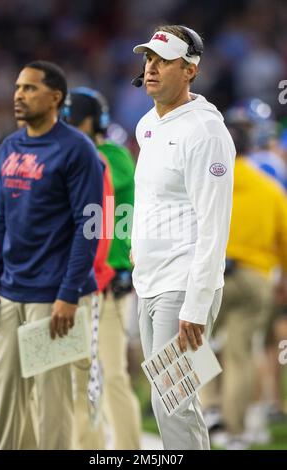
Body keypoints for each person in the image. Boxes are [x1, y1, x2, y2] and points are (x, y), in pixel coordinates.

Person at [0, 61, 103, 450]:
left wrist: (69, 293)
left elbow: (90, 226)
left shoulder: (77, 150)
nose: (18, 94)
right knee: (3, 400)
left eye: (30, 88)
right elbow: (1, 217)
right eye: (18, 87)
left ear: (55, 98)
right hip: (9, 294)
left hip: (53, 299)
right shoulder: (10, 145)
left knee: (52, 407)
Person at [131, 25, 236, 450]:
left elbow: (215, 224)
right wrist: (139, 248)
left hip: (184, 284)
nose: (151, 68)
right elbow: (155, 198)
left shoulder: (206, 133)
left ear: (190, 69)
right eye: (148, 59)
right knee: (167, 400)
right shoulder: (146, 125)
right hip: (151, 281)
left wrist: (196, 302)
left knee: (173, 399)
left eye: (164, 61)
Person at [200, 110, 287, 449]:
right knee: (241, 354)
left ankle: (208, 408)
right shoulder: (270, 189)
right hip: (255, 277)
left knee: (196, 342)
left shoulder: (207, 182)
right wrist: (282, 281)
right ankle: (235, 432)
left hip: (212, 274)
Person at [63, 87, 141, 450]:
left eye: (72, 119)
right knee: (76, 378)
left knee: (111, 375)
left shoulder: (113, 156)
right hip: (77, 282)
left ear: (91, 121)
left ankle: (129, 451)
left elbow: (95, 178)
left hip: (110, 280)